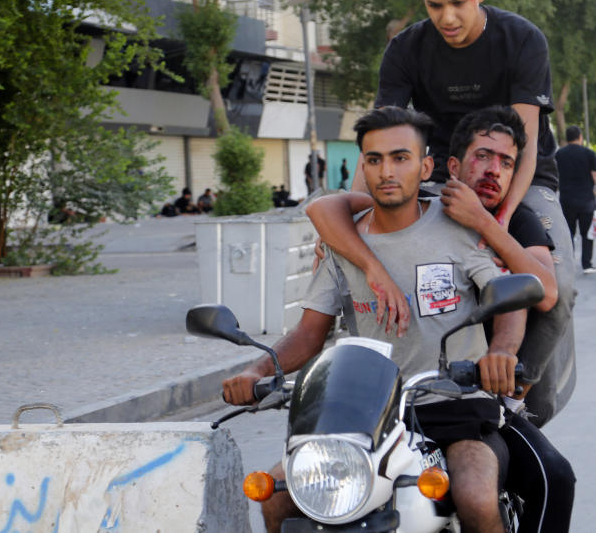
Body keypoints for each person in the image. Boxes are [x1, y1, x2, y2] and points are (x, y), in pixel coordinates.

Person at [224, 108, 568, 533]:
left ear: (426, 167)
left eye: (400, 158)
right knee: (279, 497)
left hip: (455, 406)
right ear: (362, 168)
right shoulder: (343, 242)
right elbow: (309, 333)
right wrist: (259, 369)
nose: (387, 171)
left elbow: (513, 294)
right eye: (375, 159)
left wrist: (501, 350)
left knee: (477, 498)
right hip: (365, 414)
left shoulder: (459, 226)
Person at [345, 0, 576, 425]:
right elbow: (383, 135)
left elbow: (526, 142)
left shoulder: (522, 39)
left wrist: (500, 224)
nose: (447, 18)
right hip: (443, 174)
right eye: (435, 6)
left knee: (559, 287)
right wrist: (357, 213)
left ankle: (521, 399)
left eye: (458, 3)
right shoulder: (405, 49)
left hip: (519, 175)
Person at [555, 125, 596, 273]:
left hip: (566, 200)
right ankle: (587, 264)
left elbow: (554, 176)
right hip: (586, 201)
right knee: (587, 233)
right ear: (580, 137)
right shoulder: (589, 154)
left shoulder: (559, 154)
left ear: (567, 138)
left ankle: (568, 263)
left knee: (568, 233)